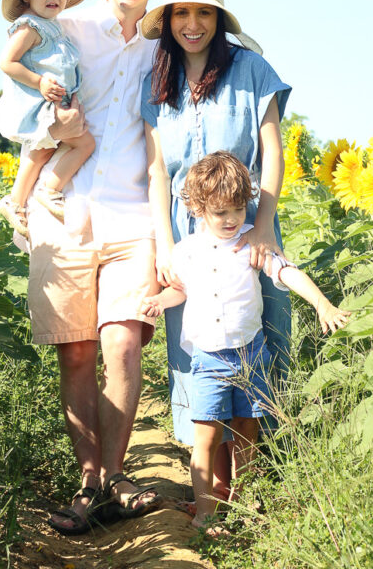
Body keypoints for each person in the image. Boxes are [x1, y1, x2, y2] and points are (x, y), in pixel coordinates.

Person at [22, 0, 167, 535]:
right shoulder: (70, 32)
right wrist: (55, 130)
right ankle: (89, 480)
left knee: (123, 344)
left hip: (135, 216)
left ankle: (109, 477)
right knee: (77, 353)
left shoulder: (166, 47)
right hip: (65, 212)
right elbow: (14, 108)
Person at [140, 152, 351, 531]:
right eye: (221, 213)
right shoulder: (186, 251)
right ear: (199, 208)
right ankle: (205, 514)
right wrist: (158, 300)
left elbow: (288, 273)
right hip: (207, 360)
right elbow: (180, 290)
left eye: (238, 210)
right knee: (205, 438)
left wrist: (322, 303)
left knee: (247, 433)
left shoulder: (252, 243)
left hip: (252, 356)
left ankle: (244, 502)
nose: (232, 220)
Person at [140, 0, 291, 490]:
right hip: (187, 239)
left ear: (219, 19)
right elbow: (158, 171)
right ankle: (213, 485)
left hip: (247, 225)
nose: (192, 23)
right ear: (167, 21)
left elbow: (272, 151)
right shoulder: (157, 81)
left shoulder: (252, 69)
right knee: (198, 349)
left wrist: (263, 228)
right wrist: (165, 243)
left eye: (204, 12)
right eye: (181, 12)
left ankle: (265, 480)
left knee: (261, 336)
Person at [0, 0, 97, 238]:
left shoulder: (55, 28)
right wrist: (39, 82)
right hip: (41, 105)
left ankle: (15, 201)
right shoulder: (29, 27)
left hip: (54, 104)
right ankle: (49, 190)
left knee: (40, 154)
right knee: (84, 144)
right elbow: (6, 62)